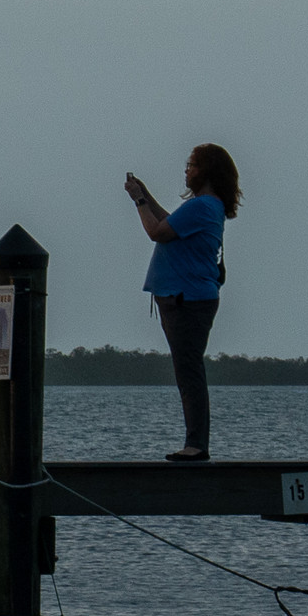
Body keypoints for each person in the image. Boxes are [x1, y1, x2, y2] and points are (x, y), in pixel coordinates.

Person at [124, 142, 240, 463]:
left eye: (192, 165)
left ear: (206, 172)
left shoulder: (202, 206)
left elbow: (157, 231)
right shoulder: (204, 207)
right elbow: (169, 221)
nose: (186, 171)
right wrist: (145, 194)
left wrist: (139, 200)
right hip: (184, 298)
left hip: (187, 300)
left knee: (189, 372)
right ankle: (195, 442)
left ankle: (196, 445)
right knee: (188, 370)